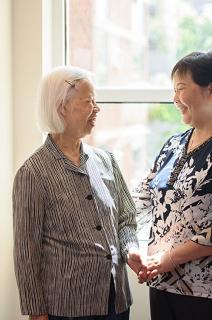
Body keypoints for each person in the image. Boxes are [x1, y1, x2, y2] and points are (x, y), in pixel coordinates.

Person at [131, 50, 212, 320]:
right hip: (162, 284)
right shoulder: (173, 144)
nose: (174, 99)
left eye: (180, 88)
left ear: (211, 91)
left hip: (209, 294)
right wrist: (131, 249)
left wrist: (168, 258)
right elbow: (140, 201)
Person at [13, 66, 144, 320]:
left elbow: (126, 218)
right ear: (62, 107)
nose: (97, 108)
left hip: (116, 302)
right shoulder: (33, 173)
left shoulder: (106, 160)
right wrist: (36, 312)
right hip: (66, 308)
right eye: (89, 102)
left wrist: (130, 249)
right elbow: (26, 252)